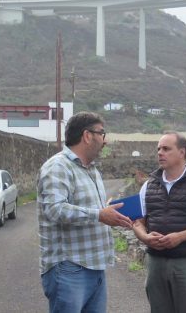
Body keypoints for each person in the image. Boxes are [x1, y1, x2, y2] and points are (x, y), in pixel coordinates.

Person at [37, 111, 133, 313]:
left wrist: (107, 211)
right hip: (69, 268)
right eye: (102, 134)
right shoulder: (58, 167)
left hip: (95, 268)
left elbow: (92, 208)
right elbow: (55, 209)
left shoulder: (92, 170)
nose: (104, 141)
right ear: (87, 136)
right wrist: (99, 214)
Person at [132, 132, 186, 313]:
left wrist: (181, 237)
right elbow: (137, 221)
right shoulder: (148, 185)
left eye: (166, 149)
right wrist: (145, 237)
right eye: (158, 149)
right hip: (155, 262)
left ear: (182, 152)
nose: (160, 153)